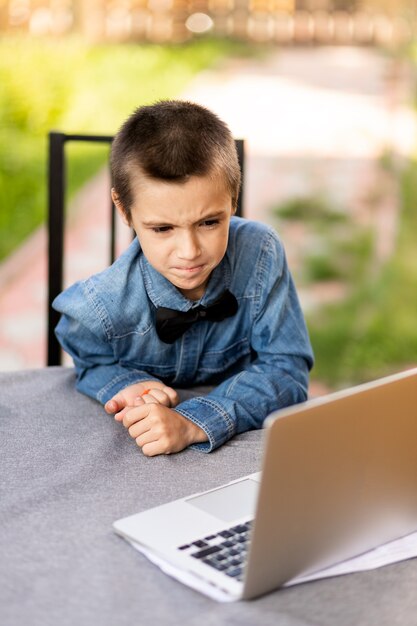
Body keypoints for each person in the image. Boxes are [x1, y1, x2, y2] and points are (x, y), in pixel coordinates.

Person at [53, 99, 314, 457]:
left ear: (233, 199)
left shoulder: (260, 253)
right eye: (162, 228)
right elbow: (89, 360)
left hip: (240, 449)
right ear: (124, 210)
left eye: (209, 222)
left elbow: (287, 368)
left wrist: (193, 422)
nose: (189, 251)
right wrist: (126, 382)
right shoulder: (102, 304)